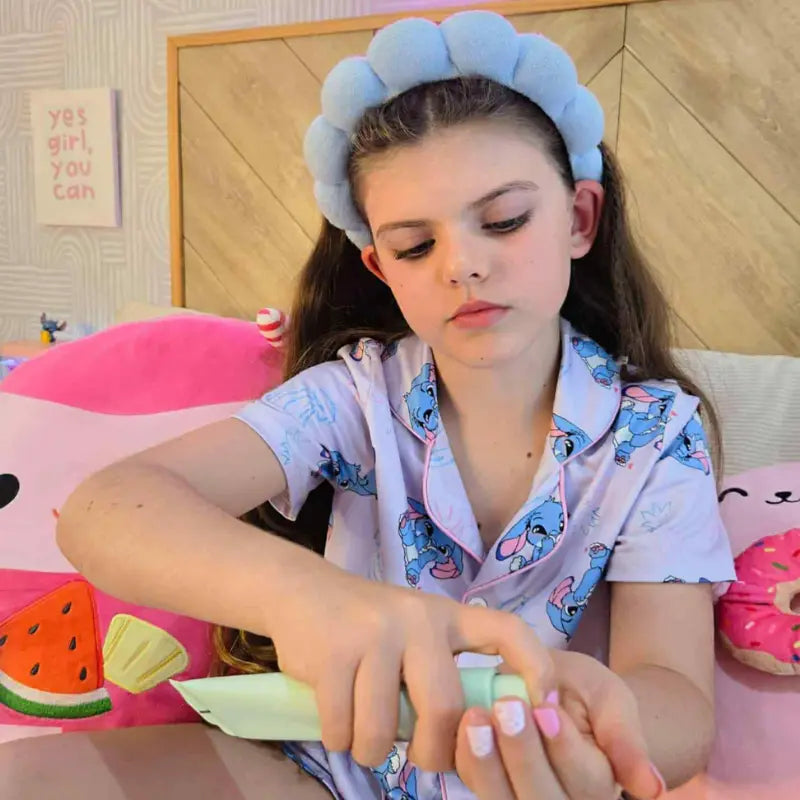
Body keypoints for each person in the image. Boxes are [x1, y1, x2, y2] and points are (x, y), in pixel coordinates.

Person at [57, 11, 736, 800]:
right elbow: (105, 509)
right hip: (325, 769)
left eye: (505, 220)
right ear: (382, 268)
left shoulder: (653, 434)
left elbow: (680, 703)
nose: (464, 266)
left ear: (579, 219)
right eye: (417, 247)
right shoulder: (353, 396)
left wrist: (591, 717)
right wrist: (306, 596)